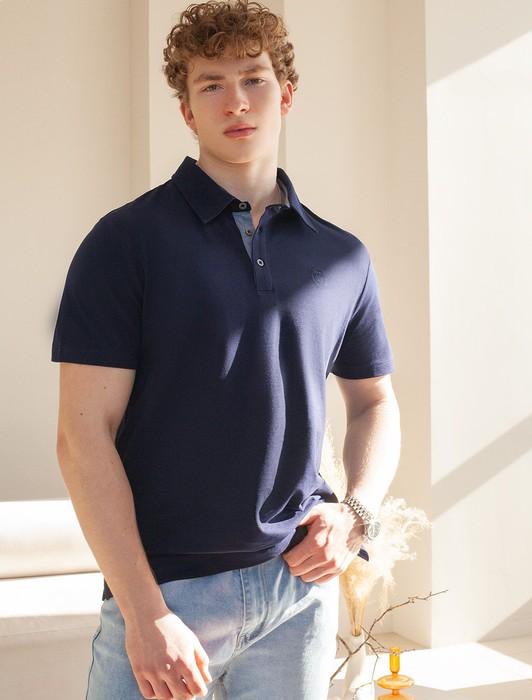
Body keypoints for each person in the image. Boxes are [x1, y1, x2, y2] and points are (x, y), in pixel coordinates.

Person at [52, 2, 400, 699]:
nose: (236, 102)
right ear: (186, 109)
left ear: (286, 94)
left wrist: (356, 513)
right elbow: (81, 436)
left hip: (297, 595)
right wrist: (146, 613)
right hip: (166, 595)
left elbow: (375, 403)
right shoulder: (125, 242)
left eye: (254, 79)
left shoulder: (343, 257)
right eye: (211, 84)